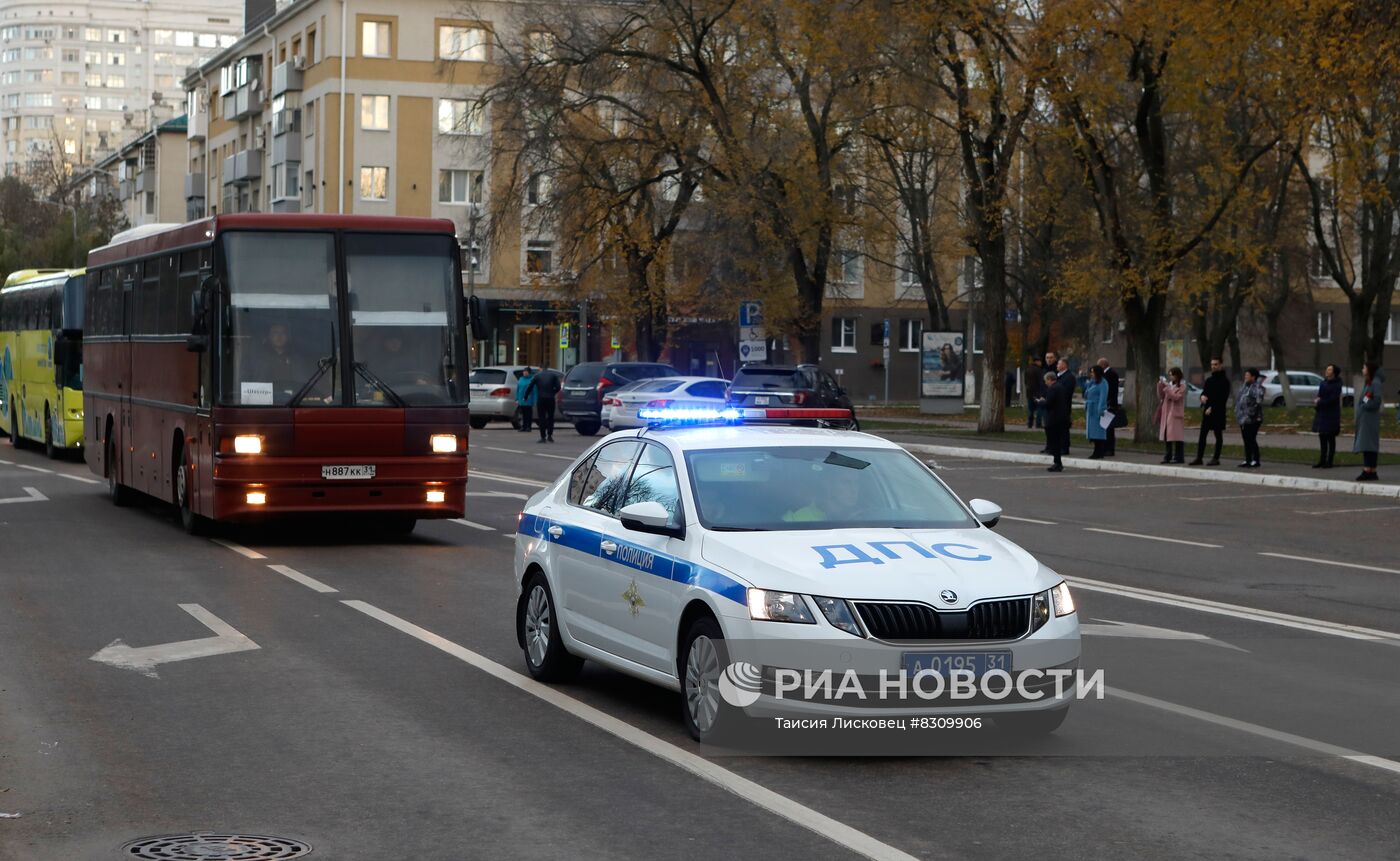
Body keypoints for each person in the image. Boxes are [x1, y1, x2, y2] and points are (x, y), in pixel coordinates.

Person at [1191, 357, 1229, 465]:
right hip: (1207, 412)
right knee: (1202, 434)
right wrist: (1202, 397)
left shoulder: (1224, 381)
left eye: (1216, 364)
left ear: (1221, 365)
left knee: (1218, 434)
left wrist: (1212, 407)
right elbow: (1205, 392)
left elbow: (1222, 398)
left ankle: (1216, 458)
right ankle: (1199, 457)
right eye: (1212, 364)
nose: (1213, 366)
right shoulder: (1209, 380)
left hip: (1218, 412)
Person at [1353, 362, 1384, 482]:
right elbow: (1367, 397)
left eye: (1364, 367)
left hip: (1369, 419)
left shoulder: (1375, 383)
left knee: (1368, 444)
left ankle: (1368, 469)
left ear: (1369, 369)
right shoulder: (1370, 382)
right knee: (1368, 444)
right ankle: (1371, 470)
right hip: (1366, 418)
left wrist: (1365, 406)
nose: (1362, 369)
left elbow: (1376, 401)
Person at [1312, 363, 1342, 468]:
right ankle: (1322, 460)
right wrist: (1317, 401)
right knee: (1322, 437)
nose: (1327, 371)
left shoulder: (1337, 384)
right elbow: (1320, 395)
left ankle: (1330, 461)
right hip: (1322, 413)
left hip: (1331, 414)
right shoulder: (1323, 383)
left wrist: (1320, 402)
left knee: (1330, 438)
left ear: (1334, 373)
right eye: (1327, 369)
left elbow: (1332, 399)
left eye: (1329, 370)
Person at [1235, 367, 1265, 469]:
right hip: (1243, 418)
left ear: (1253, 377)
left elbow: (1258, 402)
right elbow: (1240, 399)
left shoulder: (1257, 388)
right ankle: (1247, 459)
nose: (1245, 377)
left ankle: (1256, 460)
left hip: (1253, 418)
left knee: (1251, 438)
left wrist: (1251, 414)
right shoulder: (1244, 386)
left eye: (1247, 375)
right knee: (1246, 438)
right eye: (1245, 375)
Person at [524, 366, 563, 443]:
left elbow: (530, 386)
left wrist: (526, 396)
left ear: (540, 369)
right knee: (551, 417)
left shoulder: (537, 376)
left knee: (542, 417)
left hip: (541, 398)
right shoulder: (553, 375)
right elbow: (558, 387)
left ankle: (543, 437)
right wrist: (553, 392)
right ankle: (550, 435)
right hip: (550, 398)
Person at [1157, 368, 1186, 463]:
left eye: (1172, 375)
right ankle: (1168, 456)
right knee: (1167, 435)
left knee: (1177, 436)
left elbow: (1176, 397)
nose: (1170, 377)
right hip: (1167, 412)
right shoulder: (1169, 385)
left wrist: (1168, 389)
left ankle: (1179, 457)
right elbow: (1162, 396)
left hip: (1175, 414)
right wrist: (1160, 386)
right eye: (1169, 375)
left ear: (1177, 375)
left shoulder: (1182, 386)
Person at [1044, 371, 1072, 472]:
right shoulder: (1061, 387)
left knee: (1054, 442)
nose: (1045, 383)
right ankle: (1057, 462)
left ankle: (1057, 463)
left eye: (1046, 381)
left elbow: (1049, 404)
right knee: (1058, 441)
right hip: (1062, 418)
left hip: (1054, 419)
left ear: (1049, 379)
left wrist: (1041, 402)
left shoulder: (1052, 388)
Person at [1083, 365, 1108, 459]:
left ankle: (1099, 452)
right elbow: (1086, 392)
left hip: (1097, 409)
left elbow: (1103, 397)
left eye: (1093, 372)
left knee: (1098, 432)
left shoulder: (1103, 383)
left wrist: (1101, 409)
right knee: (1092, 432)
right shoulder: (1093, 382)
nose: (1091, 374)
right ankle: (1097, 451)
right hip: (1091, 410)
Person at [1098, 357, 1120, 456]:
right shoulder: (1107, 374)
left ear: (1103, 365)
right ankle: (1106, 447)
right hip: (1108, 403)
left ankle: (1109, 449)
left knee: (1109, 428)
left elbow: (1111, 390)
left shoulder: (1111, 374)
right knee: (1106, 427)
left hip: (1110, 404)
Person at [1054, 358, 1076, 454]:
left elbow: (1067, 392)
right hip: (1056, 406)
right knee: (1057, 428)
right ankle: (1058, 446)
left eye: (1059, 364)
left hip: (1063, 406)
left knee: (1063, 427)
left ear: (1064, 365)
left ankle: (1064, 447)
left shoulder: (1069, 377)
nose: (1057, 365)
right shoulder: (1058, 376)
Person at [515, 366, 536, 433]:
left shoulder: (532, 379)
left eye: (526, 372)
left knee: (528, 414)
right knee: (523, 414)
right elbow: (518, 390)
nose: (525, 373)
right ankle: (523, 427)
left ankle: (528, 427)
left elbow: (535, 391)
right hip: (521, 399)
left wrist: (534, 400)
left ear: (529, 373)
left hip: (529, 399)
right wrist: (517, 398)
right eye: (524, 372)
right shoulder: (520, 379)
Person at [1025, 359, 1045, 429]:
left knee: (1031, 410)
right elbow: (1041, 382)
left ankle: (1029, 424)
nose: (1041, 363)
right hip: (1037, 393)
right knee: (1040, 408)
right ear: (1037, 362)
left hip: (1029, 393)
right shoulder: (1038, 370)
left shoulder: (1028, 369)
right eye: (1040, 361)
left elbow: (1025, 381)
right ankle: (1038, 424)